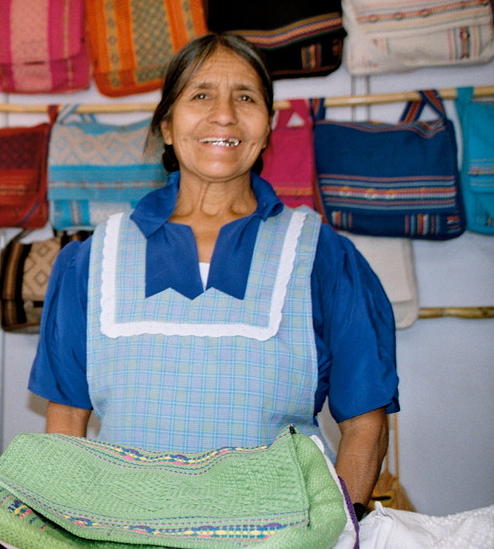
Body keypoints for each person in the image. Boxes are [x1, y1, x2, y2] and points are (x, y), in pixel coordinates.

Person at [28, 33, 398, 509]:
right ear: (166, 125)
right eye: (200, 95)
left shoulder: (321, 256)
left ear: (267, 129)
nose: (223, 114)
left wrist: (335, 529)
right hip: (122, 533)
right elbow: (66, 422)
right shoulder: (93, 260)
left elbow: (365, 424)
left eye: (245, 98)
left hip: (278, 538)